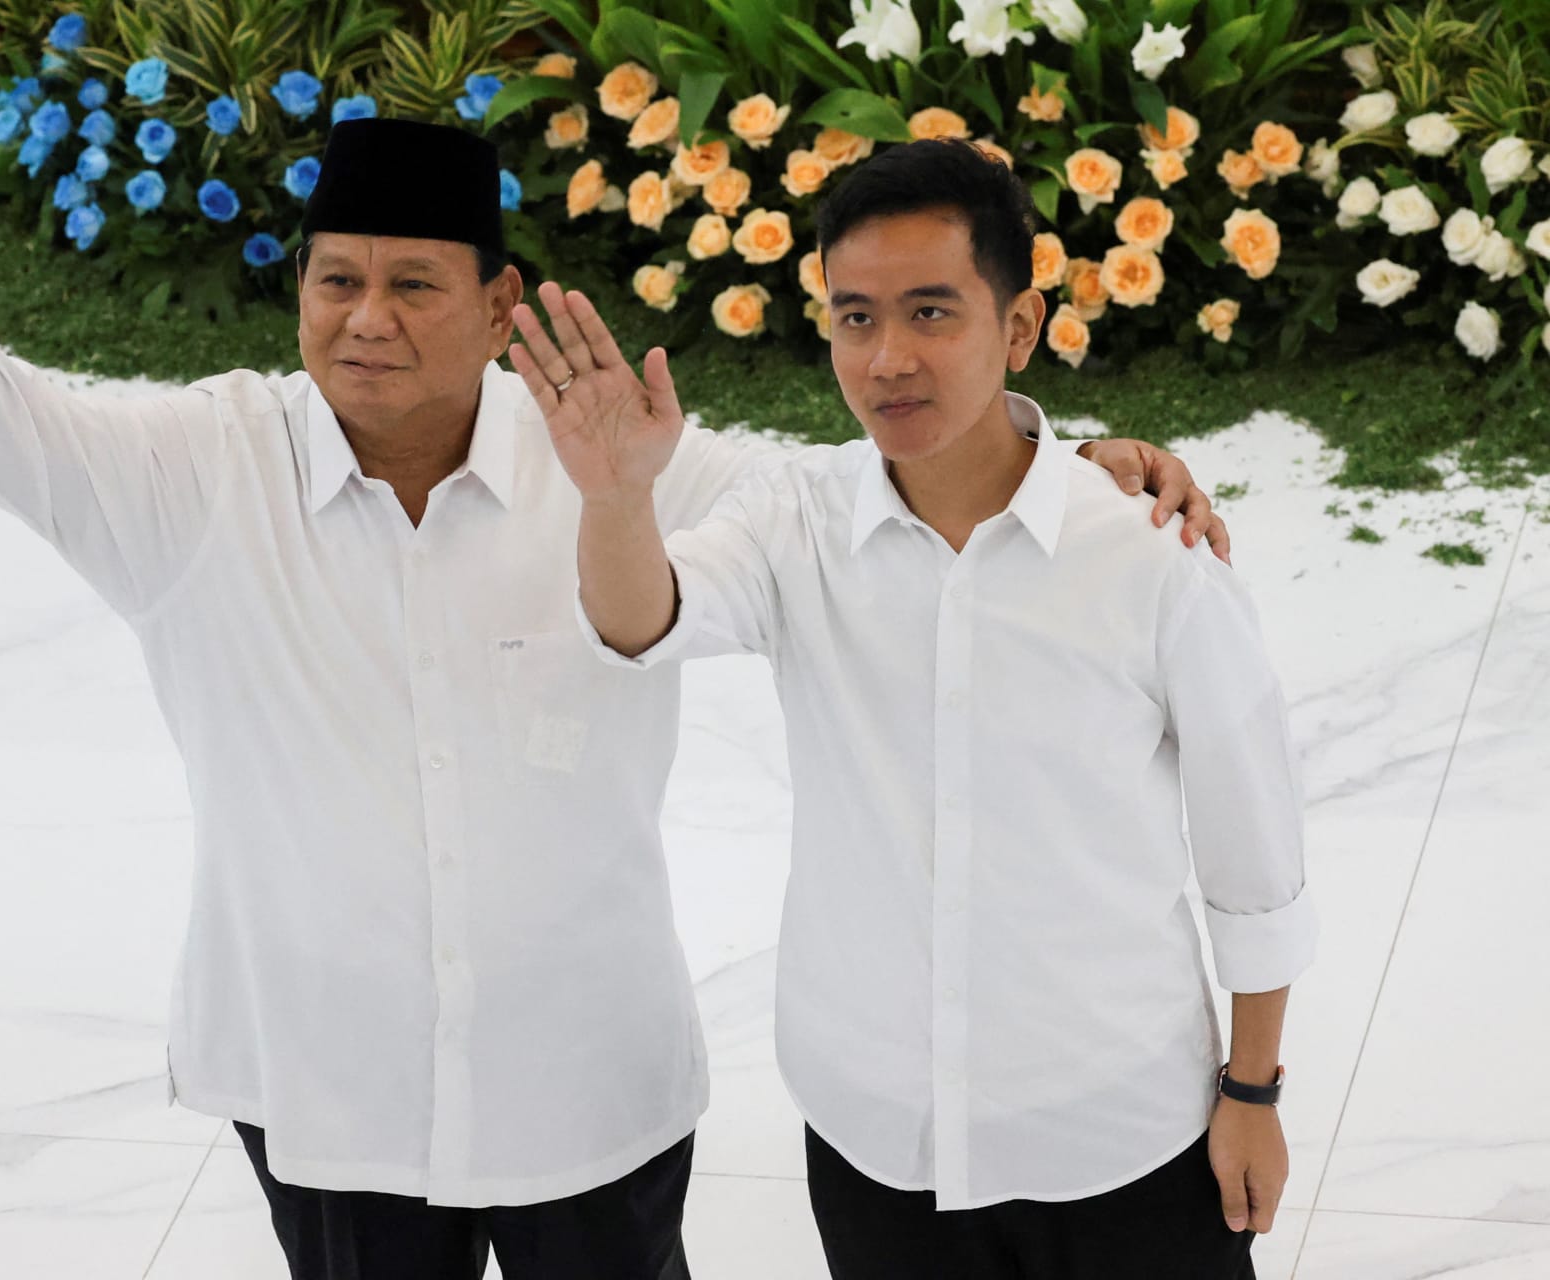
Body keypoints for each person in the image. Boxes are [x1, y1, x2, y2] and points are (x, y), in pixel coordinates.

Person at [0, 110, 1229, 1280]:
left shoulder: (616, 452)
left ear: (502, 307)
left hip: (591, 1081)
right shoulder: (197, 471)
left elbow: (862, 496)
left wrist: (1078, 457)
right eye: (338, 281)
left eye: (413, 286)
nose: (366, 319)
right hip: (325, 1081)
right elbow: (7, 418)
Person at [518, 138, 1315, 1279]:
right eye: (854, 318)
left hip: (1121, 1133)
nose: (888, 357)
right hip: (880, 1136)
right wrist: (615, 495)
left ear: (1022, 327)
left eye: (933, 312)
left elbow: (1257, 856)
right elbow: (642, 620)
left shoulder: (1146, 553)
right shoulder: (795, 523)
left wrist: (1252, 1088)